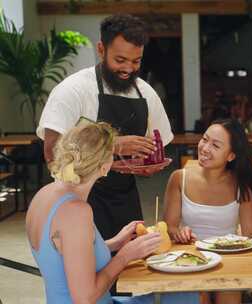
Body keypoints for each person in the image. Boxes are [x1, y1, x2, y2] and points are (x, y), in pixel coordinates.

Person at [26, 122, 198, 304]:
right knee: (184, 295)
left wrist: (115, 243)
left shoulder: (45, 194)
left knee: (182, 294)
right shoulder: (76, 212)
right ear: (104, 165)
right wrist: (125, 256)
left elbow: (67, 254)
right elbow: (85, 298)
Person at [37, 14, 173, 241]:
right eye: (120, 60)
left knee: (130, 270)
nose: (128, 69)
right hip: (76, 198)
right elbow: (52, 153)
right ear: (101, 49)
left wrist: (147, 165)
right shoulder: (73, 90)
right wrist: (112, 145)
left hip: (125, 199)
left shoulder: (145, 93)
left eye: (136, 61)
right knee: (87, 271)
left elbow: (158, 144)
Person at [163, 118, 252, 304]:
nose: (205, 148)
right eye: (205, 139)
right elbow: (169, 227)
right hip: (190, 258)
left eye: (215, 145)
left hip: (227, 260)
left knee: (228, 294)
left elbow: (250, 234)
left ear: (231, 156)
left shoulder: (242, 185)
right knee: (200, 295)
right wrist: (179, 233)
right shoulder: (179, 178)